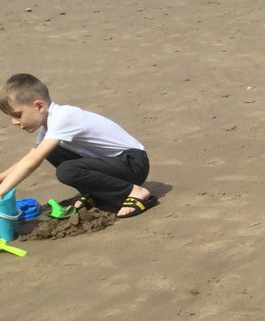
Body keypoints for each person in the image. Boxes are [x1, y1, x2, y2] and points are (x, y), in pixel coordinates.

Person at [0, 74, 156, 219]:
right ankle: (96, 193)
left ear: (39, 106)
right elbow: (30, 156)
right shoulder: (48, 125)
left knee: (67, 170)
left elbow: (33, 160)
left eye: (18, 115)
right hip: (113, 163)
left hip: (133, 163)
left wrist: (2, 192)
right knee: (50, 151)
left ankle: (134, 191)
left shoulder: (64, 117)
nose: (14, 122)